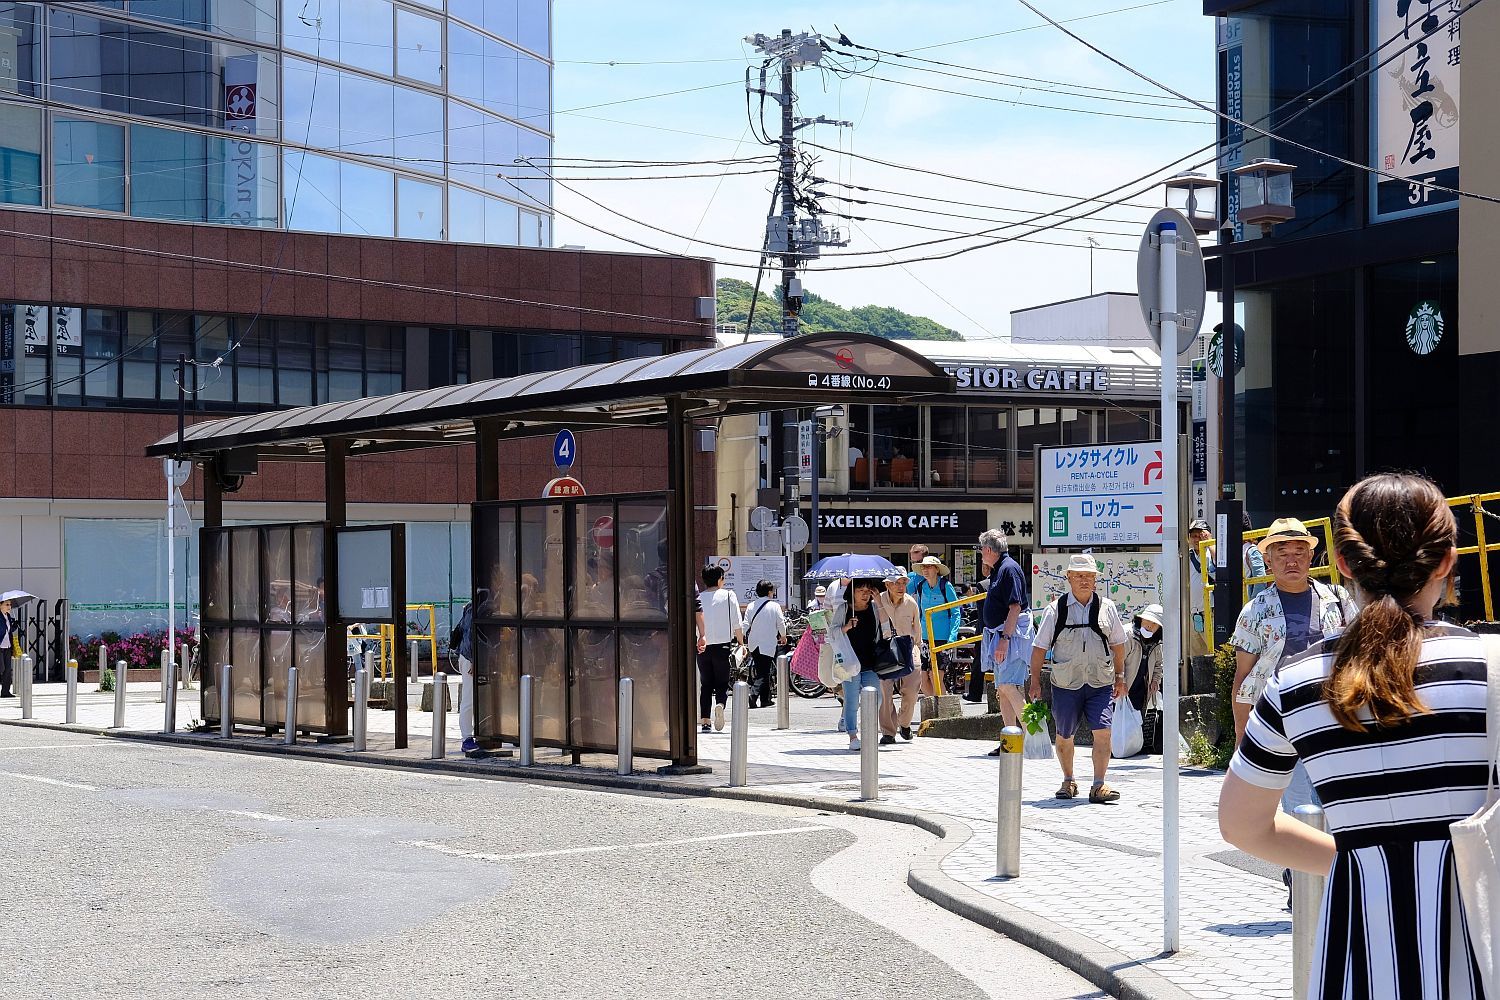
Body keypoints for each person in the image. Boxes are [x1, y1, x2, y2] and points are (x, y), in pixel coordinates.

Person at [1219, 473, 1485, 999]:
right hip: (1480, 951)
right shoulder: (1491, 672)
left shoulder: (1292, 686)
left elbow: (1241, 827)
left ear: (1343, 563)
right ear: (1449, 561)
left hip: (1355, 960)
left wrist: (1358, 858)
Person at [1230, 517, 1358, 746]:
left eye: (1299, 553)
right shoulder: (1254, 611)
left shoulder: (1338, 599)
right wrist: (1241, 735)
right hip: (1276, 723)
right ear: (1268, 560)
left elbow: (1360, 659)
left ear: (1310, 556)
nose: (1292, 561)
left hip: (1332, 720)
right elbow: (1243, 676)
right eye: (1282, 554)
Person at [1028, 554, 1128, 803]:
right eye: (1079, 576)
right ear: (1069, 578)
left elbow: (1118, 645)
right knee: (1064, 734)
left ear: (1095, 580)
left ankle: (1099, 785)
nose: (1084, 580)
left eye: (1089, 576)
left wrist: (1120, 676)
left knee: (1103, 731)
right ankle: (1068, 780)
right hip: (1065, 682)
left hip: (1100, 682)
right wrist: (1035, 682)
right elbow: (1039, 648)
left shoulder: (1108, 608)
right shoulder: (1056, 609)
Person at [974, 529, 1027, 720]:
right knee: (1002, 690)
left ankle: (1035, 737)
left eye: (981, 550)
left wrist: (1005, 639)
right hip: (1000, 635)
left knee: (1008, 685)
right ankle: (1010, 739)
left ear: (988, 549)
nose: (980, 554)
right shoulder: (1000, 569)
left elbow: (1015, 607)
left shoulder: (1009, 569)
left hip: (1010, 636)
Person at [832, 577, 884, 751]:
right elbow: (832, 633)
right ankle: (853, 735)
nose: (865, 594)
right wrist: (846, 627)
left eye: (868, 591)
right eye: (861, 590)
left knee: (877, 698)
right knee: (852, 701)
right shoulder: (844, 609)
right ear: (852, 592)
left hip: (871, 662)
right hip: (850, 663)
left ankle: (867, 727)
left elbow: (884, 626)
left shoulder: (874, 608)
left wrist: (879, 602)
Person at [694, 566, 745, 733]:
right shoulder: (729, 595)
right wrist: (741, 642)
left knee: (706, 684)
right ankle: (720, 704)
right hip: (723, 646)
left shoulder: (699, 597)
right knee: (722, 683)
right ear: (719, 579)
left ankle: (706, 721)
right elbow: (737, 622)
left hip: (702, 645)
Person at [877, 574, 922, 743]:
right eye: (897, 583)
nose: (901, 586)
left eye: (904, 583)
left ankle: (904, 723)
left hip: (908, 649)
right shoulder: (877, 601)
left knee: (911, 690)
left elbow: (917, 629)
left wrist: (917, 648)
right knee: (885, 692)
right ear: (888, 584)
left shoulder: (911, 603)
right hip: (885, 651)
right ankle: (888, 732)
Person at [909, 555, 959, 696]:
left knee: (936, 675)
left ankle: (944, 710)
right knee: (922, 677)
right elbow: (918, 613)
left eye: (929, 566)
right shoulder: (920, 586)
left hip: (943, 638)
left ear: (937, 569)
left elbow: (955, 612)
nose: (925, 570)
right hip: (925, 637)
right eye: (923, 567)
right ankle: (934, 708)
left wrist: (952, 636)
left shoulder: (945, 586)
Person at [448, 602, 485, 759]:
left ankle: (478, 736)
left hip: (475, 656)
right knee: (469, 699)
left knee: (478, 698)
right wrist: (474, 660)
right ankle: (466, 738)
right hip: (471, 658)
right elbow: (470, 634)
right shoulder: (478, 606)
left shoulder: (478, 604)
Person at [742, 580, 786, 710]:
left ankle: (766, 699)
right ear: (769, 592)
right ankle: (753, 695)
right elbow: (780, 623)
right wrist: (783, 636)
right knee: (764, 672)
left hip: (754, 643)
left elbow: (745, 624)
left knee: (763, 670)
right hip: (767, 643)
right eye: (772, 590)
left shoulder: (751, 605)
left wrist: (740, 639)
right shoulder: (775, 606)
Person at [1123, 604, 1164, 713]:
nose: (1149, 625)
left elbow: (1158, 665)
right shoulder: (1127, 635)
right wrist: (1120, 681)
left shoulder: (1156, 644)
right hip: (1121, 690)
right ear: (1141, 619)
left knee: (1136, 726)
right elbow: (1116, 661)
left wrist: (1155, 680)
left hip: (1141, 693)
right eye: (1148, 620)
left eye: (1154, 623)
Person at [1187, 518, 1215, 657]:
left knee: (1215, 652)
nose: (1197, 539)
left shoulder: (1213, 553)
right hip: (1192, 612)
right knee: (1197, 657)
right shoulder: (1187, 556)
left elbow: (1220, 572)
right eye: (1194, 536)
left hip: (1210, 610)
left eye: (1200, 535)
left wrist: (1210, 544)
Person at [1241, 512, 1269, 598]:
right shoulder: (1232, 550)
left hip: (1247, 603)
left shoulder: (1252, 550)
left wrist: (1253, 604)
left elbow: (1260, 580)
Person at [0, 597, 16, 698]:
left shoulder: (8, 616)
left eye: (10, 605)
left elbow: (8, 631)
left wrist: (14, 626)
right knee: (1, 668)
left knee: (7, 670)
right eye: (7, 604)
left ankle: (5, 692)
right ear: (0, 605)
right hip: (0, 646)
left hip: (8, 646)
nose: (9, 607)